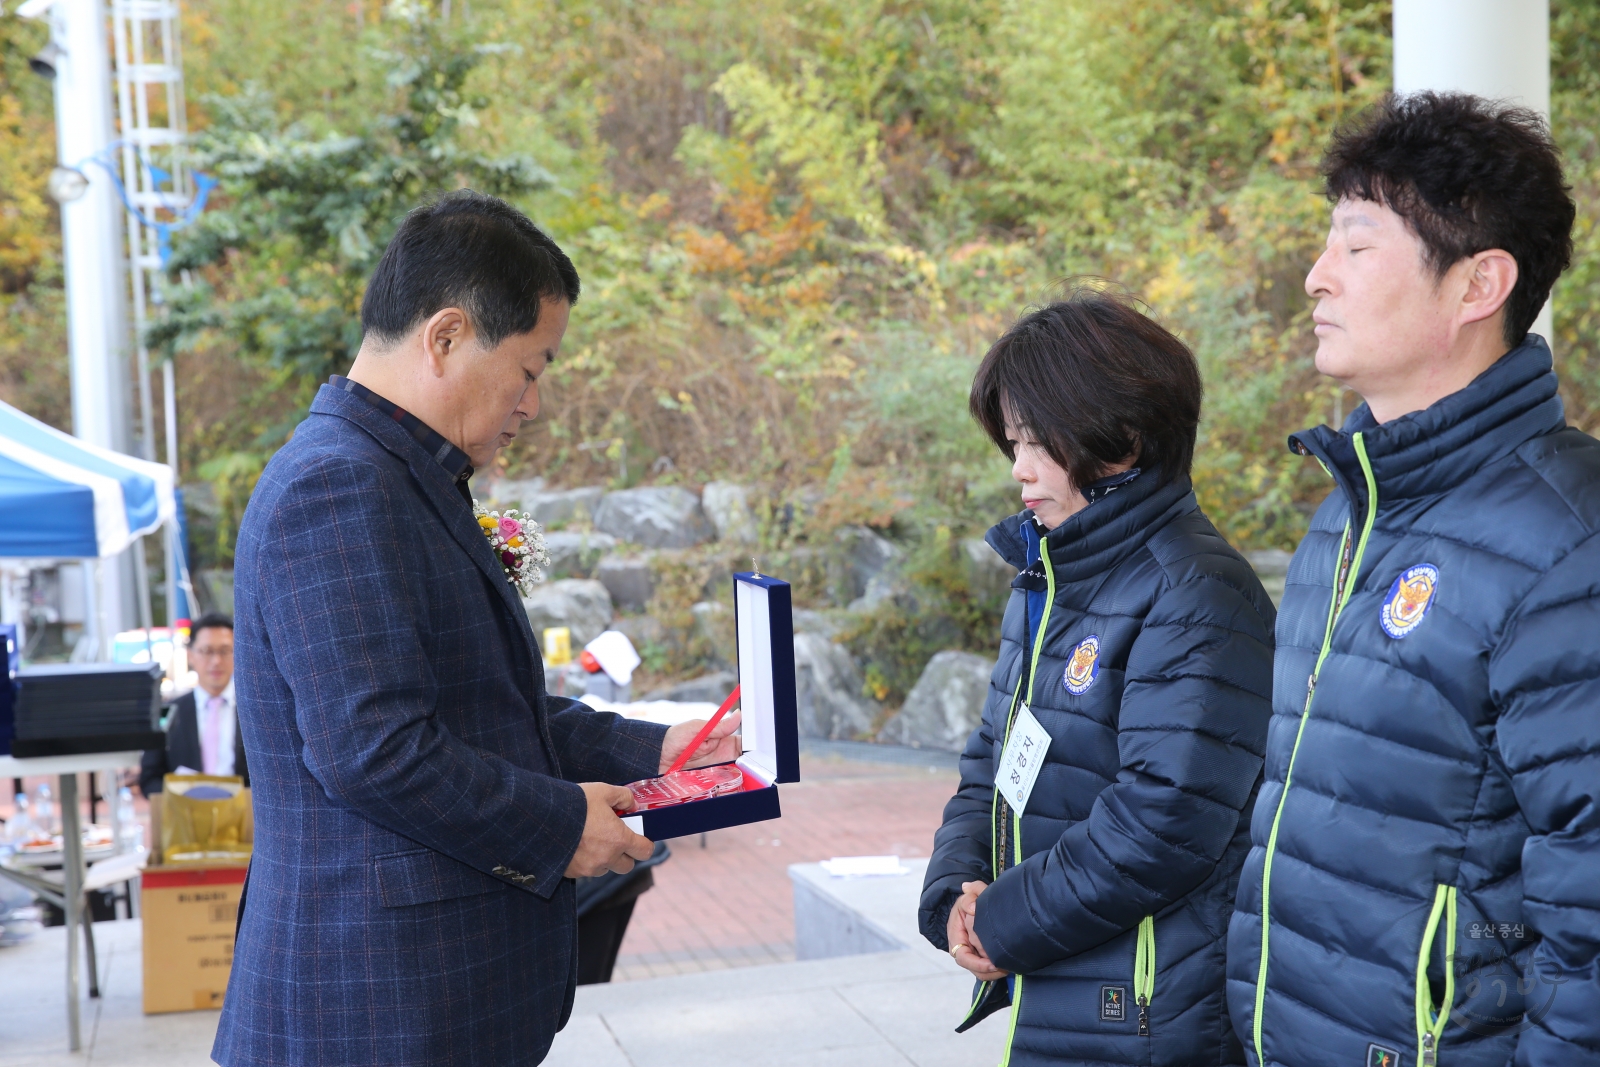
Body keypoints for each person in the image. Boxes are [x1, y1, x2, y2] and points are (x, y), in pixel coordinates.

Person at [212, 191, 741, 1067]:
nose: (535, 404)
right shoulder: (335, 488)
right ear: (448, 336)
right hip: (373, 1013)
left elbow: (489, 707)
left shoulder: (399, 475)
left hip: (420, 1004)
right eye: (531, 369)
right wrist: (560, 823)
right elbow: (375, 748)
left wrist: (660, 748)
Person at [1226, 93, 1599, 1067]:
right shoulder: (1343, 515)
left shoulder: (1567, 538)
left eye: (1355, 246)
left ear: (1477, 284)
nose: (1315, 277)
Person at [920, 291, 1276, 1066]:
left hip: (1148, 1011)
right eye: (1012, 442)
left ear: (1119, 437)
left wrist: (1002, 921)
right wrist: (954, 893)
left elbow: (1162, 821)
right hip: (1060, 984)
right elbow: (990, 764)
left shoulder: (1193, 589)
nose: (1018, 469)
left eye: (1036, 441)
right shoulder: (1047, 579)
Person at [139, 613, 248, 795]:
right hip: (184, 816)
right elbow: (149, 778)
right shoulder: (167, 711)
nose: (216, 661)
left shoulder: (256, 712)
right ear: (190, 655)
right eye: (207, 651)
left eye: (225, 651)